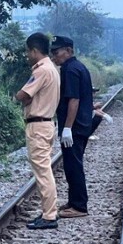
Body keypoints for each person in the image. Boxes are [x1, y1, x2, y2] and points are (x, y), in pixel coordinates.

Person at [15, 33, 60, 230]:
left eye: (28, 51)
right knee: (44, 169)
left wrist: (21, 96)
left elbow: (23, 95)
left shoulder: (42, 71)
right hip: (46, 123)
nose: (27, 55)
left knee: (42, 171)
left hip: (38, 125)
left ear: (34, 50)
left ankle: (49, 215)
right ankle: (48, 212)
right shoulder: (52, 69)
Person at [50, 35, 94, 219]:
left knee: (73, 165)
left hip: (75, 127)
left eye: (57, 52)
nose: (54, 56)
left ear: (68, 51)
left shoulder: (70, 69)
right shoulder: (77, 67)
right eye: (52, 52)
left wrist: (67, 128)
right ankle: (74, 200)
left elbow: (73, 100)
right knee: (71, 164)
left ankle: (79, 206)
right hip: (81, 124)